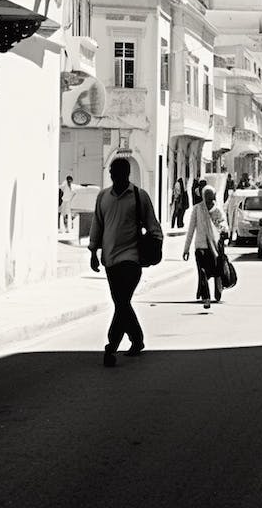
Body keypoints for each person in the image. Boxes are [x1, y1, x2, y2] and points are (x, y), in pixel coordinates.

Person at [89, 157, 163, 367]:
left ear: (126, 174)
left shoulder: (139, 197)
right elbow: (97, 225)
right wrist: (93, 252)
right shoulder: (103, 197)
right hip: (110, 261)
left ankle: (111, 347)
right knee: (121, 303)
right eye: (111, 173)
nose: (113, 176)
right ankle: (137, 339)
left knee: (121, 302)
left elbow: (154, 227)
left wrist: (153, 248)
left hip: (131, 259)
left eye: (117, 173)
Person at [183, 186, 228, 309]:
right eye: (207, 198)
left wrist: (222, 229)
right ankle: (206, 298)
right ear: (203, 197)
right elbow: (191, 229)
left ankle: (218, 290)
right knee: (202, 272)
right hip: (201, 247)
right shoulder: (197, 209)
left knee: (217, 271)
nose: (209, 201)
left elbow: (224, 225)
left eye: (211, 198)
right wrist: (186, 249)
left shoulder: (217, 210)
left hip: (215, 247)